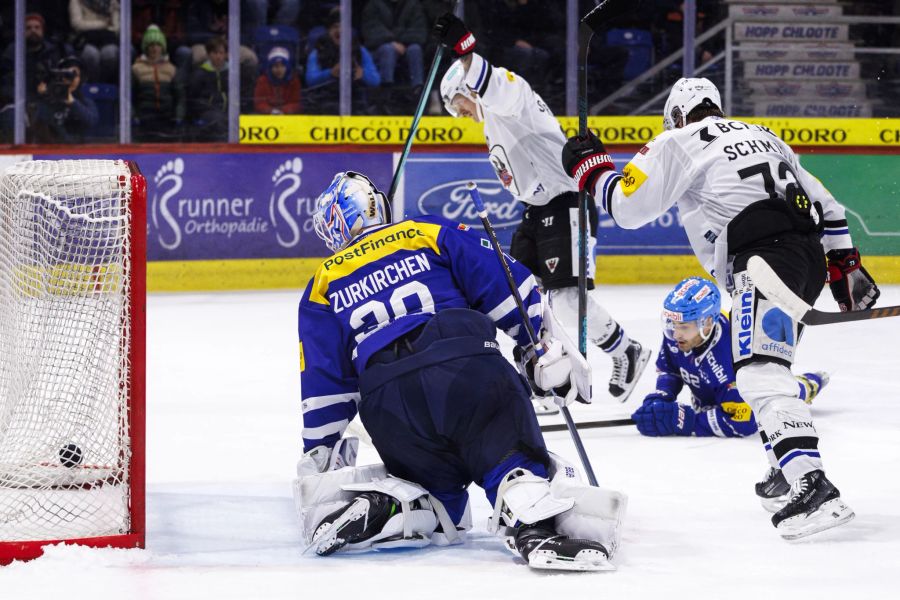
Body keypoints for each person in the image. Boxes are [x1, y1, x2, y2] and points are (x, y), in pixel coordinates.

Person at [562, 77, 881, 540]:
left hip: (763, 264)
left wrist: (591, 169)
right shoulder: (765, 135)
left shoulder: (678, 139)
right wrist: (845, 267)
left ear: (675, 116)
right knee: (772, 368)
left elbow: (628, 209)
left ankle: (814, 486)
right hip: (803, 262)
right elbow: (829, 208)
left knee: (757, 372)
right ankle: (783, 467)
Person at [293, 171, 625, 571]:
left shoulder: (322, 283)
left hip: (388, 403)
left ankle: (404, 503)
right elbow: (508, 285)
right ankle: (530, 512)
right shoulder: (426, 233)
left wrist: (319, 451)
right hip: (465, 367)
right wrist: (537, 348)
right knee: (507, 454)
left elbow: (324, 384)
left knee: (433, 489)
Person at [433, 12, 651, 404]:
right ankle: (548, 374)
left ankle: (626, 351)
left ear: (469, 89)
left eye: (458, 103)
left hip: (566, 202)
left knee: (567, 299)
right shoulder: (490, 124)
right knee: (517, 295)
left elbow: (495, 84)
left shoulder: (513, 98)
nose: (459, 113)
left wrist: (465, 52)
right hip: (535, 212)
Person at [632, 276, 828, 447]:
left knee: (780, 393)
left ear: (707, 323)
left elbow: (743, 422)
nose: (675, 333)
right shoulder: (680, 335)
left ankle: (807, 385)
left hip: (746, 395)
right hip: (716, 395)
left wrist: (687, 421)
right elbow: (671, 369)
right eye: (672, 325)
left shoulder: (731, 356)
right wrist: (661, 397)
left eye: (683, 326)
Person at [304, 8, 380, 114]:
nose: (339, 30)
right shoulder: (318, 51)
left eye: (343, 27)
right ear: (329, 31)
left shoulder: (360, 50)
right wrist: (330, 73)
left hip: (355, 101)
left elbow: (376, 80)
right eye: (335, 27)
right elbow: (310, 79)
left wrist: (363, 74)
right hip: (325, 101)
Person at [132, 24, 185, 142]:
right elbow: (130, 97)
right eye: (151, 45)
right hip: (144, 119)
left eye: (157, 45)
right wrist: (134, 116)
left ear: (162, 47)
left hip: (167, 119)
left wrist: (178, 116)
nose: (154, 48)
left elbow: (179, 96)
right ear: (146, 47)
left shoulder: (171, 69)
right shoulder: (136, 69)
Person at [360, 0, 426, 91]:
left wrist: (399, 40)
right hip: (379, 48)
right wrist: (391, 42)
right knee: (388, 49)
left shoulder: (413, 5)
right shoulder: (373, 5)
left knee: (415, 49)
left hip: (406, 46)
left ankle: (418, 89)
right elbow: (371, 31)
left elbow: (420, 32)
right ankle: (386, 89)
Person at [31, 55, 99, 144]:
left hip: (79, 151)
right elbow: (36, 126)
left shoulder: (85, 101)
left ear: (80, 79)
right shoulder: (47, 100)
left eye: (74, 75)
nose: (70, 80)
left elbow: (92, 122)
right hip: (51, 150)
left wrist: (73, 103)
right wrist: (42, 97)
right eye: (66, 75)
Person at [188, 35, 229, 141]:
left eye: (221, 53)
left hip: (229, 111)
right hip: (208, 112)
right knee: (218, 121)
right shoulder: (200, 73)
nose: (219, 56)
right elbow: (194, 97)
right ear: (209, 54)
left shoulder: (232, 72)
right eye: (215, 53)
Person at [69, 0, 120, 84]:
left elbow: (116, 27)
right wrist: (103, 24)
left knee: (110, 53)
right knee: (91, 54)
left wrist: (91, 25)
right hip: (85, 40)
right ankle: (92, 85)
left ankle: (104, 86)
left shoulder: (112, 2)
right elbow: (77, 24)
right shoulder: (76, 1)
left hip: (107, 40)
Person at [253, 46, 301, 115]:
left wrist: (283, 111)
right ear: (270, 68)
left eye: (282, 66)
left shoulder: (294, 80)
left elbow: (296, 103)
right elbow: (259, 103)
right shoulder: (262, 80)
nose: (279, 69)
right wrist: (271, 111)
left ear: (287, 67)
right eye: (275, 66)